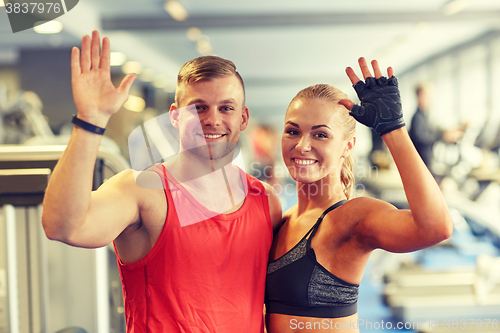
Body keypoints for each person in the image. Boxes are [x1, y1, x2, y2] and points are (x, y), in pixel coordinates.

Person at [41, 30, 282, 332]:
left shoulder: (266, 201)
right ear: (175, 117)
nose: (212, 119)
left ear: (243, 118)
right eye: (198, 107)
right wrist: (91, 119)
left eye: (226, 108)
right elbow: (62, 226)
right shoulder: (141, 191)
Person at [264, 58, 454, 333]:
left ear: (347, 145)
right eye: (293, 131)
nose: (302, 145)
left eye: (320, 135)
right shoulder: (285, 218)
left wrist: (394, 130)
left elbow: (436, 227)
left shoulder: (351, 218)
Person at [409, 83, 466, 169]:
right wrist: (443, 135)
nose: (430, 99)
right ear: (419, 96)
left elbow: (434, 130)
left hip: (426, 159)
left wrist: (446, 132)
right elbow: (421, 137)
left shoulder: (425, 116)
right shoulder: (417, 117)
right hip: (422, 161)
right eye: (427, 96)